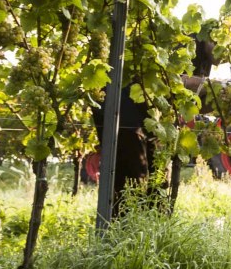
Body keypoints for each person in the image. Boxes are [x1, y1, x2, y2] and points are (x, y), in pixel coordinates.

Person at [91, 37, 217, 217]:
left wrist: (218, 100)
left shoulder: (206, 61)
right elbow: (166, 82)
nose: (228, 56)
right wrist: (208, 86)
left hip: (150, 117)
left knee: (157, 178)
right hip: (122, 104)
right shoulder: (185, 41)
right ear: (211, 39)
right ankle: (122, 229)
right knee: (131, 175)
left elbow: (189, 102)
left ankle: (150, 230)